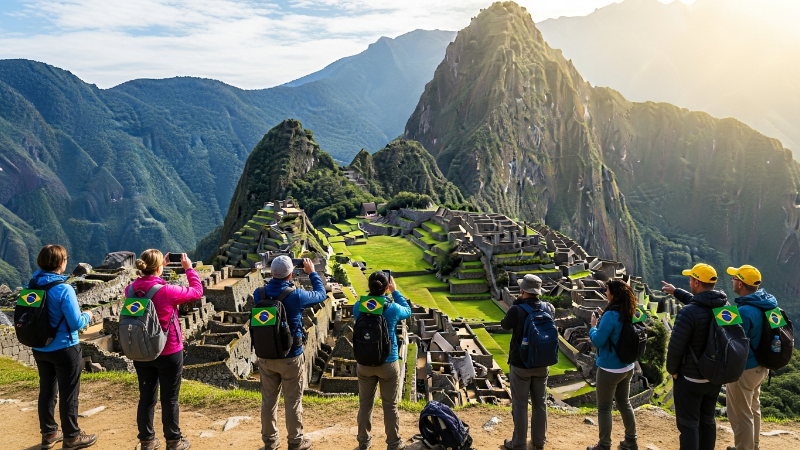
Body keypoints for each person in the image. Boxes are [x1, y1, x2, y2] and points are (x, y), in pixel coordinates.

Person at [132, 250, 203, 450]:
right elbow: (197, 292)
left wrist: (156, 268)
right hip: (168, 350)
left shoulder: (130, 289)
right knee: (169, 398)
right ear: (159, 268)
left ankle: (146, 441)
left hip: (142, 351)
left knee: (146, 397)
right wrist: (189, 269)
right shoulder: (167, 291)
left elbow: (145, 286)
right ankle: (173, 441)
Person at [30, 245, 98, 449]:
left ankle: (49, 433)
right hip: (64, 348)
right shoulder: (64, 289)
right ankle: (72, 437)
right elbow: (76, 323)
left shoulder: (31, 285)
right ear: (61, 263)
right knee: (69, 393)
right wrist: (89, 315)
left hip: (40, 348)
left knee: (47, 391)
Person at [257, 256, 327, 450]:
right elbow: (321, 294)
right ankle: (295, 442)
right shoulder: (296, 295)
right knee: (292, 401)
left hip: (266, 357)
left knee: (268, 401)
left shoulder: (259, 293)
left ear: (271, 272)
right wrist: (312, 272)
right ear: (291, 274)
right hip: (291, 357)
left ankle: (270, 441)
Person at [662, 263, 728, 450]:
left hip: (691, 379)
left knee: (689, 424)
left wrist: (673, 371)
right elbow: (701, 303)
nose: (689, 281)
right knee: (707, 420)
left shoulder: (688, 313)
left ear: (697, 282)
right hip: (714, 378)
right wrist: (676, 292)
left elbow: (675, 347)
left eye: (691, 278)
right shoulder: (726, 308)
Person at [354, 271, 412, 450]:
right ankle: (393, 443)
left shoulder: (358, 306)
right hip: (388, 362)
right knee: (390, 405)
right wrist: (395, 292)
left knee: (365, 404)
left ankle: (364, 442)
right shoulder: (392, 308)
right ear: (386, 287)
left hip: (364, 362)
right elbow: (407, 311)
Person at [500, 274, 555, 450]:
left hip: (520, 364)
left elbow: (505, 325)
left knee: (520, 404)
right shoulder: (549, 308)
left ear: (523, 290)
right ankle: (539, 442)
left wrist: (516, 303)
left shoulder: (517, 310)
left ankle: (519, 444)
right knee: (540, 403)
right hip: (542, 363)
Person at [725, 265, 776, 450]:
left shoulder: (744, 312)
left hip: (745, 369)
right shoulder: (768, 303)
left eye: (734, 278)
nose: (732, 281)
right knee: (753, 408)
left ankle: (743, 448)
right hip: (762, 366)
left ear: (740, 283)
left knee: (740, 414)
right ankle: (753, 446)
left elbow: (731, 341)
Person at [586, 280, 639, 450]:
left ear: (614, 294)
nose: (605, 293)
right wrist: (604, 319)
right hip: (628, 366)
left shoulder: (611, 315)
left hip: (610, 368)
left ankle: (604, 445)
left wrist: (593, 327)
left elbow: (598, 341)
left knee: (604, 408)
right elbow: (618, 330)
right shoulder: (628, 310)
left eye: (607, 291)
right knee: (624, 402)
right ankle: (631, 441)